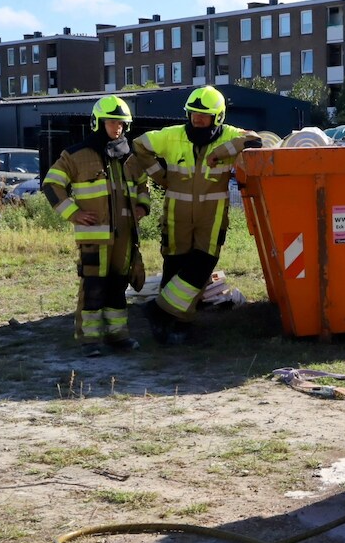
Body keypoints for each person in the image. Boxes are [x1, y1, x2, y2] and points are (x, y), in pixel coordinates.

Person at [128, 85, 261, 345]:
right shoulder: (173, 135)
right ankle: (174, 324)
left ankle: (160, 311)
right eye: (193, 114)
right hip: (176, 214)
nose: (197, 119)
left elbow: (256, 140)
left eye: (203, 115)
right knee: (175, 266)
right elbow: (139, 145)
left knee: (202, 265)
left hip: (211, 216)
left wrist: (223, 151)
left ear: (218, 117)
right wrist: (159, 175)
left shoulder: (229, 135)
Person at [43, 95, 148, 357]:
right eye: (113, 123)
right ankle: (89, 340)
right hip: (94, 236)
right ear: (98, 123)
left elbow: (143, 185)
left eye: (122, 124)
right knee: (93, 286)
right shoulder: (76, 155)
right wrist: (73, 213)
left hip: (125, 235)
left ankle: (118, 335)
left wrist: (142, 206)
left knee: (117, 285)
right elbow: (51, 185)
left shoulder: (130, 158)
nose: (118, 129)